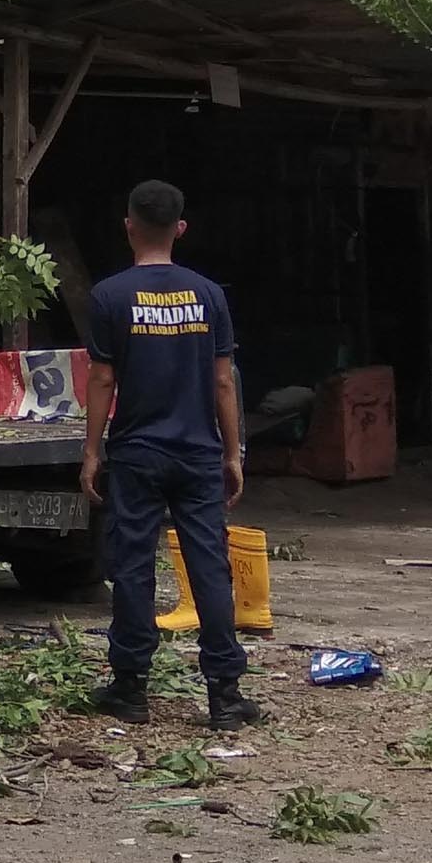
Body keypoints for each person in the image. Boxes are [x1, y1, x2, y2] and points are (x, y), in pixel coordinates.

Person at [78, 179, 263, 732]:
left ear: (129, 225)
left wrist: (92, 452)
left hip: (136, 453)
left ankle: (130, 689)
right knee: (209, 566)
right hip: (199, 453)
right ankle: (225, 695)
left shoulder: (109, 296)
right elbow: (223, 382)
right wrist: (234, 453)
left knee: (133, 567)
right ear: (180, 229)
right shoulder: (209, 295)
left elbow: (103, 379)